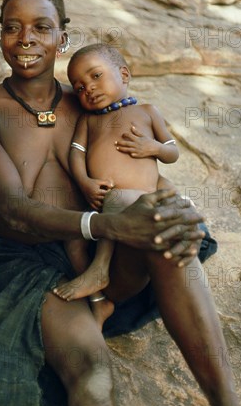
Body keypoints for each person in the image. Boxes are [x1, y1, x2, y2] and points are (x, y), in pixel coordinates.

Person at [0, 0, 241, 406]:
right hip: (37, 267)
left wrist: (171, 208)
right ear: (0, 34)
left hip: (105, 256)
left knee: (166, 229)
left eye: (42, 27)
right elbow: (13, 211)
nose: (27, 39)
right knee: (93, 378)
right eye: (12, 27)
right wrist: (108, 223)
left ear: (62, 38)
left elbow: (136, 170)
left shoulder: (90, 102)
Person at [53, 43, 181, 329]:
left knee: (120, 199)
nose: (89, 89)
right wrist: (85, 182)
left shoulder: (147, 112)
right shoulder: (89, 120)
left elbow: (173, 152)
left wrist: (154, 148)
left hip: (141, 198)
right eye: (80, 87)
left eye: (96, 76)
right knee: (72, 241)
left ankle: (99, 269)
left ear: (123, 74)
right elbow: (76, 154)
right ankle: (100, 302)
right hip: (102, 200)